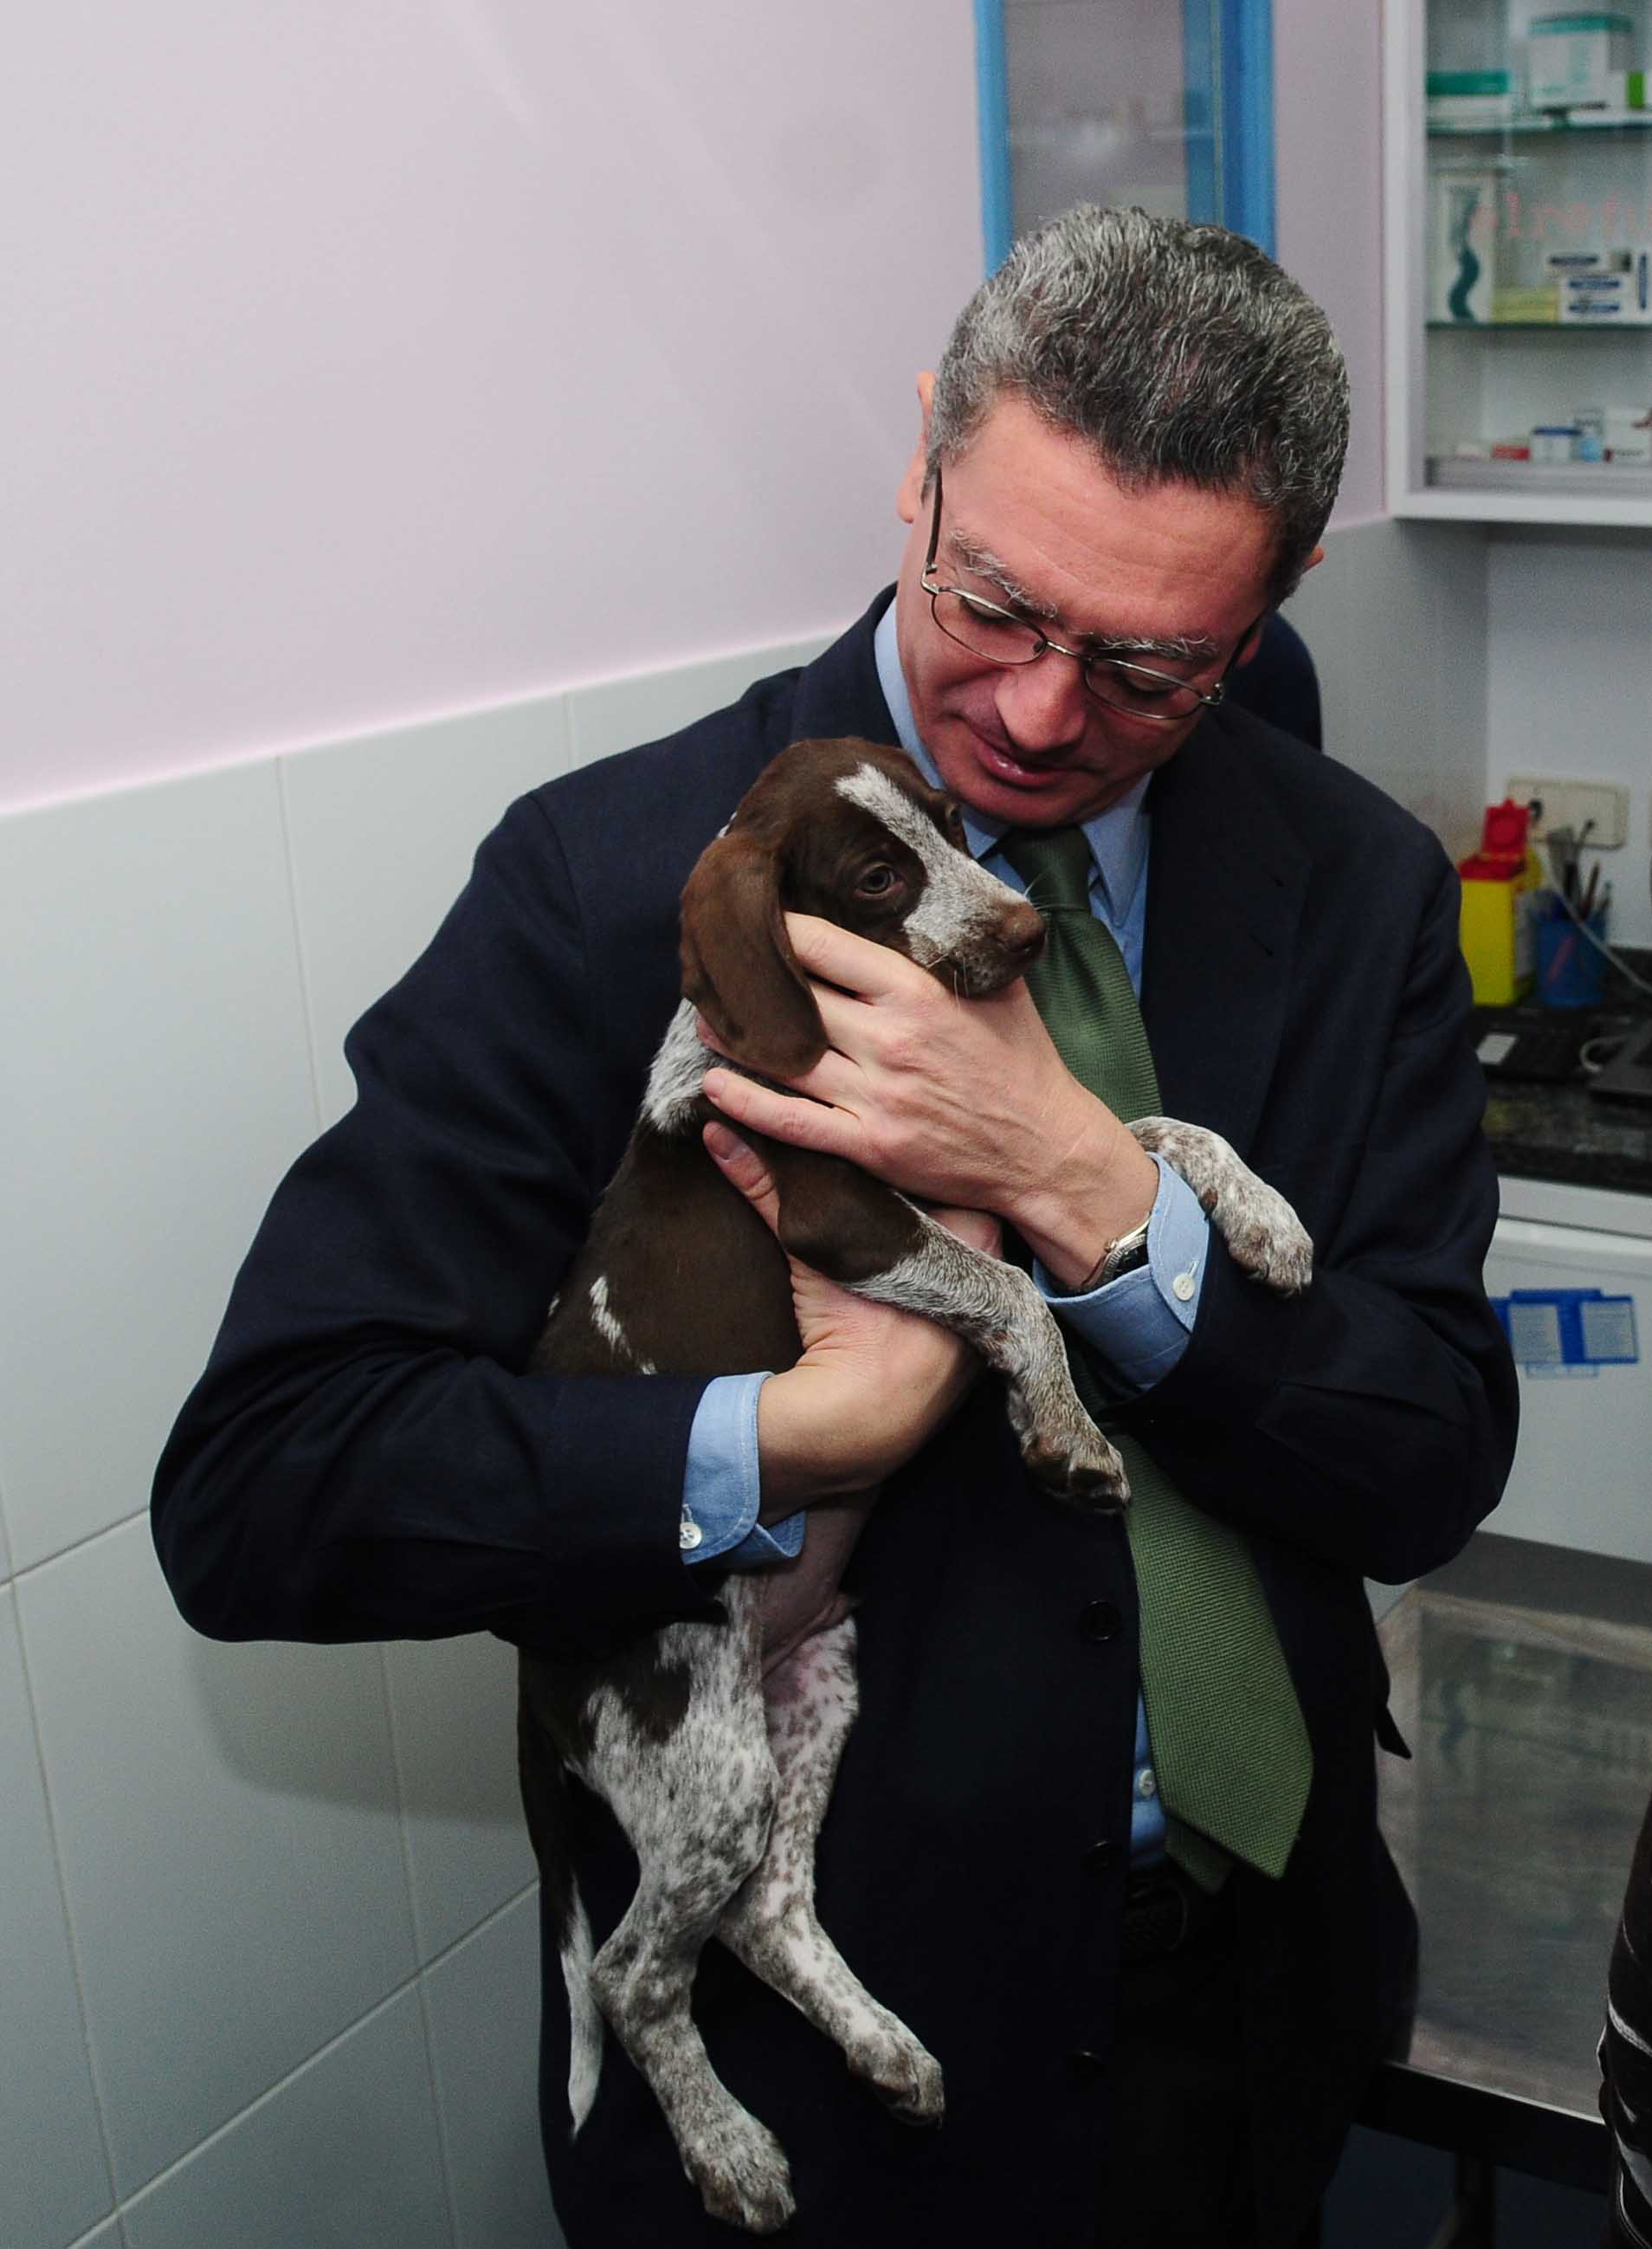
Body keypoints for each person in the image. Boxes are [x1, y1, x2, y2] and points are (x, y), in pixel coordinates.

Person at [152, 206, 1518, 2246]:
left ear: (1270, 611)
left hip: (1236, 2033)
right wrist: (789, 1439)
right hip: (816, 2072)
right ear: (924, 461)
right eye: (995, 602)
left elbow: (1424, 1456)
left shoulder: (1354, 886)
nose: (1040, 713)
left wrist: (1085, 1190)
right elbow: (266, 1485)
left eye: (1148, 667)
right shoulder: (614, 881)